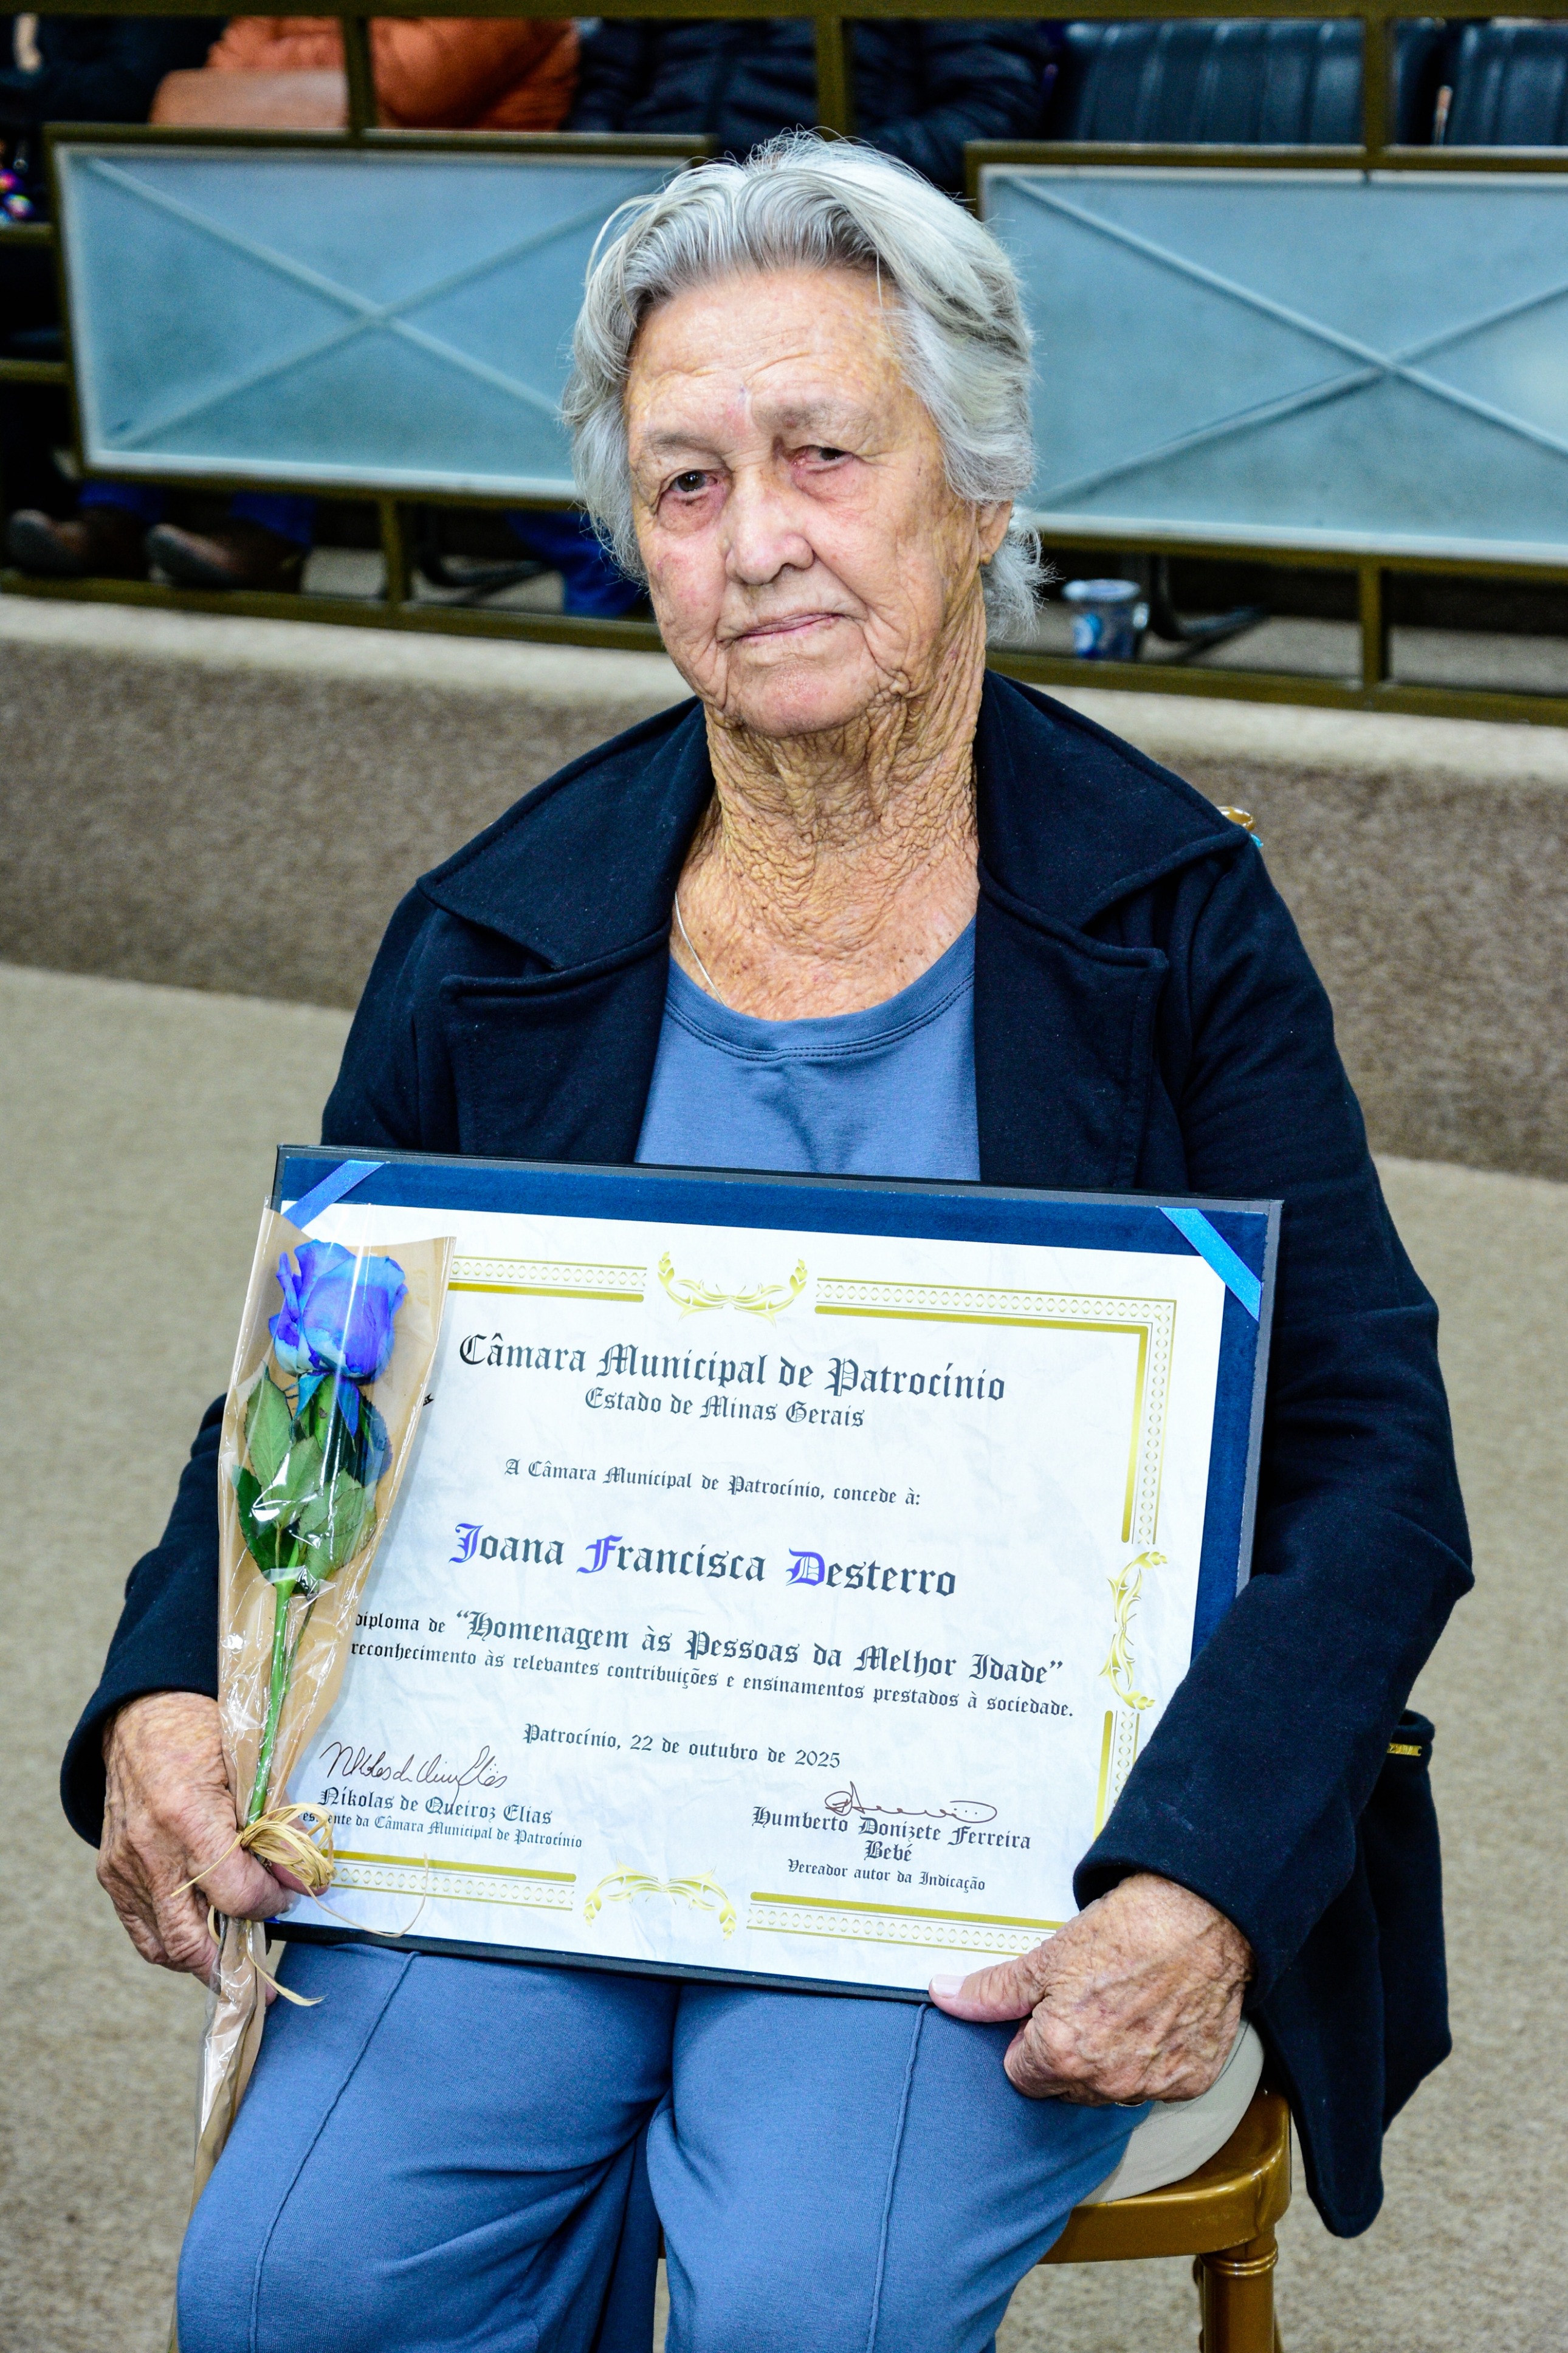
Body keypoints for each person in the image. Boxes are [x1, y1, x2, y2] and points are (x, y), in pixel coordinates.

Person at [66, 136, 1471, 2353]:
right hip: (525, 1792)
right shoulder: (499, 929)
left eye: (823, 454)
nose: (758, 542)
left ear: (976, 492)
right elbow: (307, 1384)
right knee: (293, 2280)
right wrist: (164, 1679)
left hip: (981, 1835)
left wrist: (1197, 1880)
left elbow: (1372, 1456)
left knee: (812, 2296)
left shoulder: (1169, 924)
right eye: (688, 483)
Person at [5, 12, 636, 608]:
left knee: (275, 284)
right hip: (324, 213)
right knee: (180, 263)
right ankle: (117, 515)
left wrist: (288, 58)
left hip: (468, 238)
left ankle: (265, 531)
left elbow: (398, 87)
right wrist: (332, 62)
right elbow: (215, 77)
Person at [0, 13, 221, 546]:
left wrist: (23, 91)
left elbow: (125, 90)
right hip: (43, 196)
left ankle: (37, 505)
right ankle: (32, 501)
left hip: (144, 208)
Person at [570, 18, 1054, 197]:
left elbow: (992, 111)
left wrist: (828, 170)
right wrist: (590, 175)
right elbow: (606, 90)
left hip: (838, 224)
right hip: (648, 208)